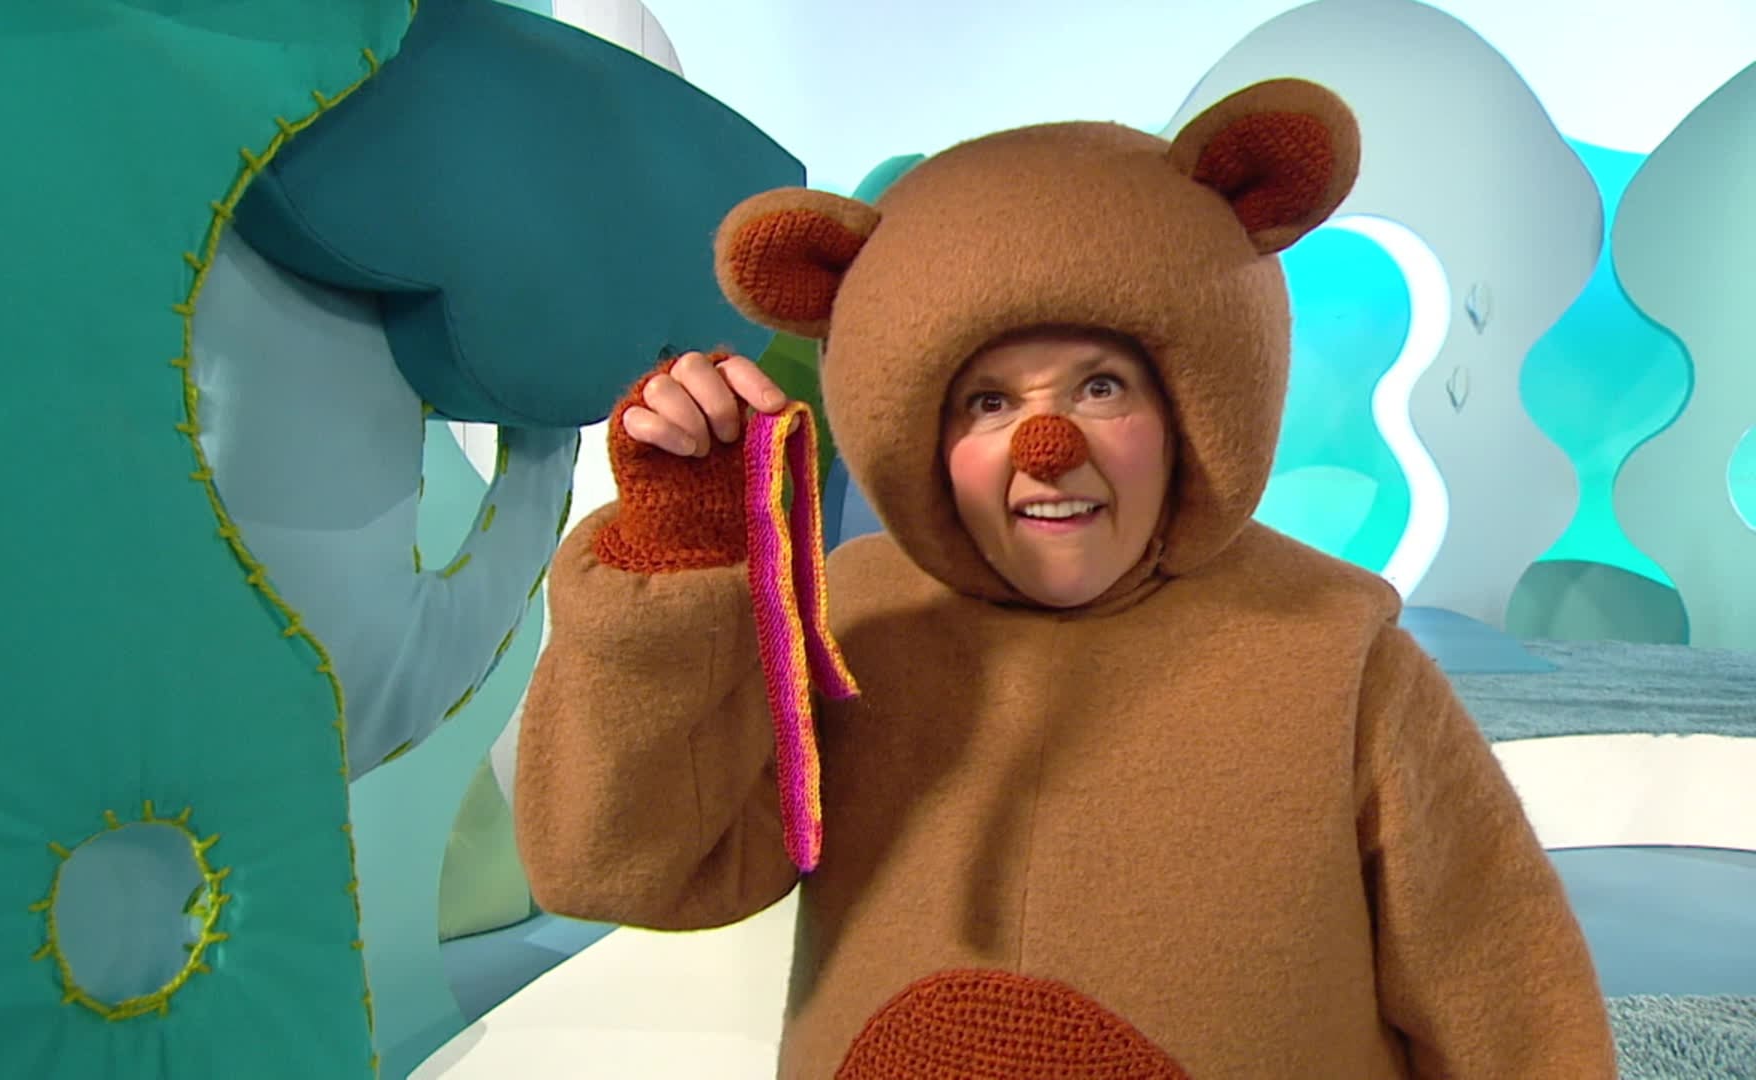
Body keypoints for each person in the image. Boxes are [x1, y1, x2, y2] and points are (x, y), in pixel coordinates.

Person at [512, 77, 1617, 1078]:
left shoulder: (1331, 650)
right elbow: (626, 867)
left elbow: (1501, 986)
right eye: (988, 401)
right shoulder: (857, 618)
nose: (1048, 447)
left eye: (1101, 388)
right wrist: (681, 558)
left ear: (1193, 410)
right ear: (916, 432)